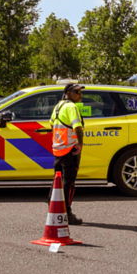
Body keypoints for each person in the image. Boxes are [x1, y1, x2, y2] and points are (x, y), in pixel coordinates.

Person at [50, 83, 85, 224]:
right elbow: (78, 127)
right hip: (70, 150)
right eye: (77, 92)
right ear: (68, 93)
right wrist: (80, 144)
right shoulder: (71, 107)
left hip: (58, 149)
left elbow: (51, 124)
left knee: (57, 182)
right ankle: (66, 213)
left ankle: (53, 208)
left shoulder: (58, 106)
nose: (80, 94)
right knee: (68, 183)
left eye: (80, 92)